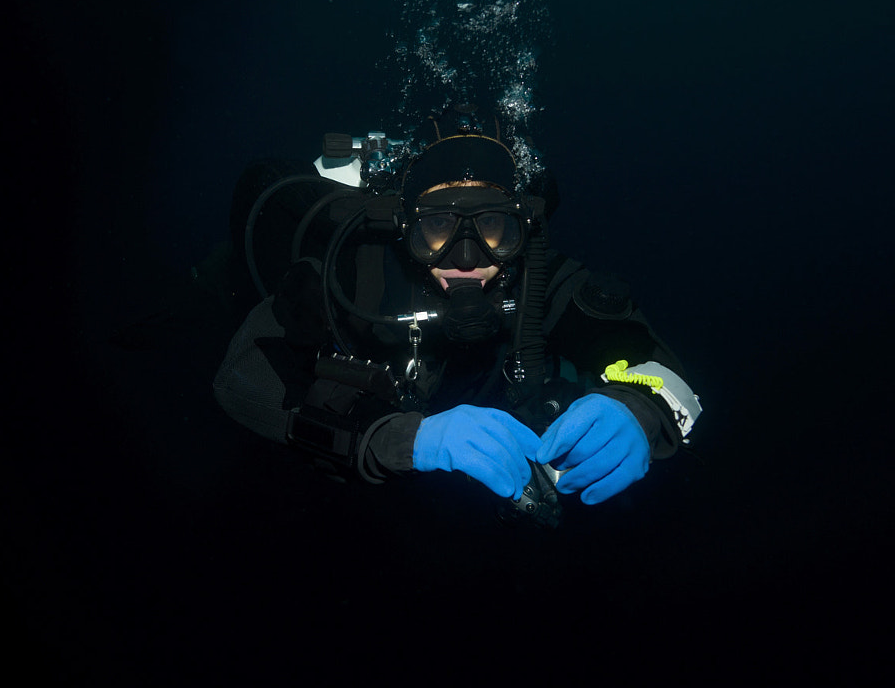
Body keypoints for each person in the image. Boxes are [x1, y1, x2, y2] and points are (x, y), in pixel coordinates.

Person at [213, 107, 702, 525]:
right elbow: (239, 378)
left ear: (522, 230)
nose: (464, 257)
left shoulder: (540, 280)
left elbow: (656, 366)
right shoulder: (354, 270)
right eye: (437, 227)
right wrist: (401, 439)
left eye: (492, 227)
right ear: (405, 229)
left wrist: (639, 410)